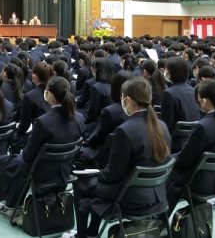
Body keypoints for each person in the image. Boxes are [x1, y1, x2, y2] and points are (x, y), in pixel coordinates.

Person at [71, 77, 171, 238]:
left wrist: (97, 174)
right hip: (158, 195)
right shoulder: (162, 126)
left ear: (128, 100)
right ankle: (91, 232)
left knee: (81, 184)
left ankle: (83, 235)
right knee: (93, 185)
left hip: (128, 198)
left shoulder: (125, 131)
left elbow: (112, 174)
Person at [0, 76, 83, 219]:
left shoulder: (43, 122)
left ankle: (12, 206)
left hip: (41, 172)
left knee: (5, 161)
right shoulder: (79, 118)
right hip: (65, 170)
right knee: (15, 162)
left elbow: (28, 156)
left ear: (49, 94)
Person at [166, 79, 215, 214]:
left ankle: (159, 220)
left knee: (168, 176)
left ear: (204, 101)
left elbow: (184, 161)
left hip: (197, 182)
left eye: (198, 100)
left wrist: (169, 160)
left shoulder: (204, 126)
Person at [161, 56, 200, 152]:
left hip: (175, 143)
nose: (165, 72)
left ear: (172, 72)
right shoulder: (193, 89)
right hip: (192, 139)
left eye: (167, 70)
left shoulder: (168, 93)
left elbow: (166, 125)